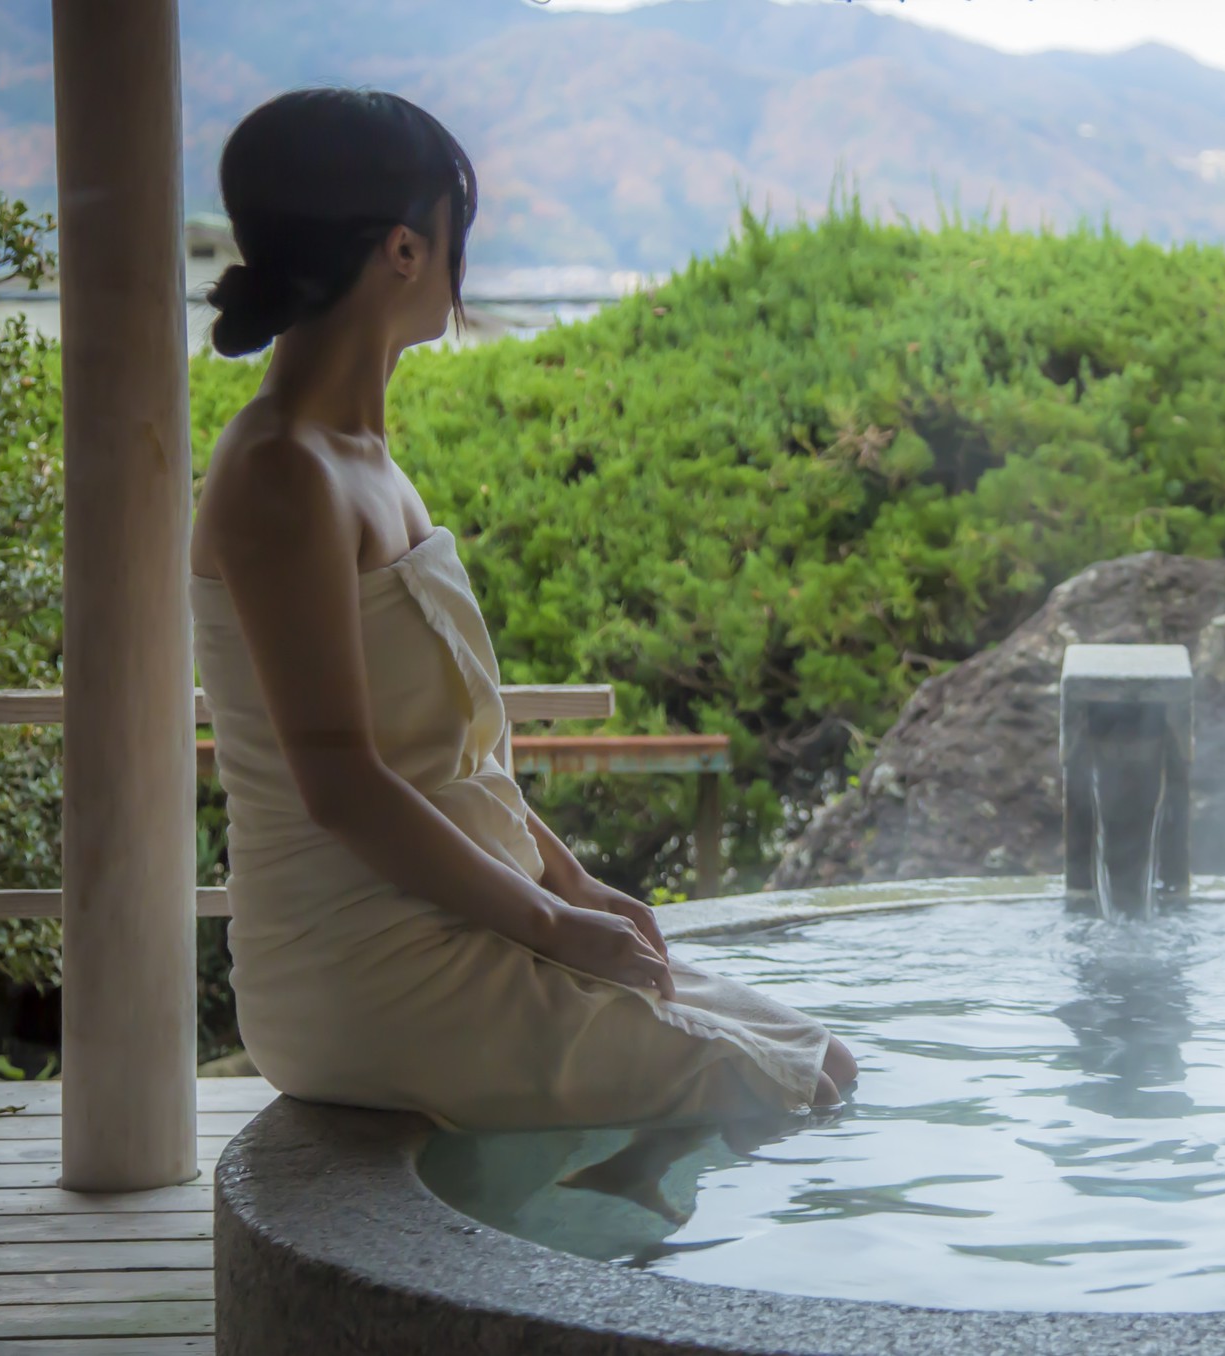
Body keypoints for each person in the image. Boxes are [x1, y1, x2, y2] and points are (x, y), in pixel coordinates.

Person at [190, 89, 854, 1131]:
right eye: (460, 233)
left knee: (822, 1065)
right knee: (784, 1097)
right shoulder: (281, 471)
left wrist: (577, 886)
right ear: (406, 250)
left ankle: (612, 1263)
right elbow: (344, 786)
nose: (465, 265)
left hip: (465, 924)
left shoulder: (363, 463)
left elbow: (452, 761)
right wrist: (550, 924)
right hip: (367, 966)